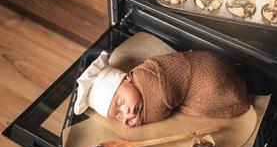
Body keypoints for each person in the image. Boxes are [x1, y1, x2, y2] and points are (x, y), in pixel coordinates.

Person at [74, 51, 250, 127]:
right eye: (119, 114)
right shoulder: (137, 83)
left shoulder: (145, 76)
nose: (125, 110)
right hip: (211, 62)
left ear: (127, 78)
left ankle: (235, 96)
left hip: (210, 77)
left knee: (210, 89)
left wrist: (140, 119)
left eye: (120, 101)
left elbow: (161, 108)